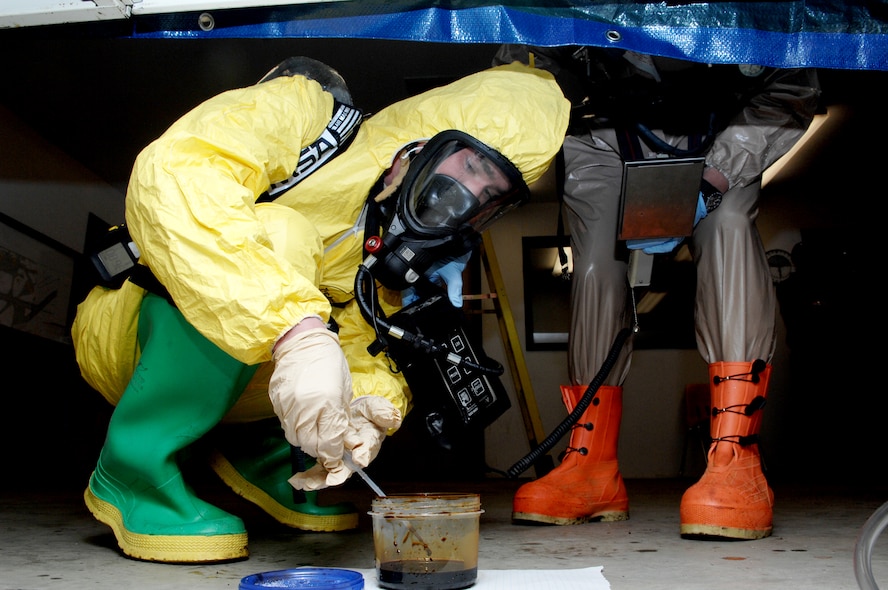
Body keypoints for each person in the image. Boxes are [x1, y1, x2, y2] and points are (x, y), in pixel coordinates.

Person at [71, 57, 570, 563]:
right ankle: (132, 471)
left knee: (329, 348)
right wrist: (297, 330)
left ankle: (258, 453)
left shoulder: (389, 246)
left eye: (490, 196)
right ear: (428, 139)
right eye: (473, 166)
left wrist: (369, 409)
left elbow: (369, 339)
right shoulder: (309, 114)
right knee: (287, 244)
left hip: (227, 371)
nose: (468, 197)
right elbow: (179, 173)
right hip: (128, 330)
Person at [493, 45, 820, 540]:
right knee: (596, 268)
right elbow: (516, 69)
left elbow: (795, 83)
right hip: (603, 136)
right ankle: (591, 467)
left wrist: (713, 179)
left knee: (729, 226)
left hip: (724, 130)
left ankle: (737, 460)